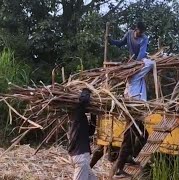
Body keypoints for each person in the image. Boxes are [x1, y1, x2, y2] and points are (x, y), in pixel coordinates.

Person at [91, 22, 150, 178]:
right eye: (137, 32)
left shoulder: (144, 40)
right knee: (129, 139)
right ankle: (119, 167)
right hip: (132, 109)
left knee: (143, 135)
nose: (138, 35)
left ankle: (128, 157)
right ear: (135, 29)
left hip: (135, 65)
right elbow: (121, 43)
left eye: (140, 33)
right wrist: (110, 41)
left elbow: (142, 53)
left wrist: (136, 63)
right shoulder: (135, 78)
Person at [68, 88, 97, 180]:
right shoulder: (77, 114)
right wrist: (86, 91)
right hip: (81, 157)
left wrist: (94, 114)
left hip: (79, 156)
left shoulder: (79, 119)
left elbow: (90, 131)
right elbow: (83, 99)